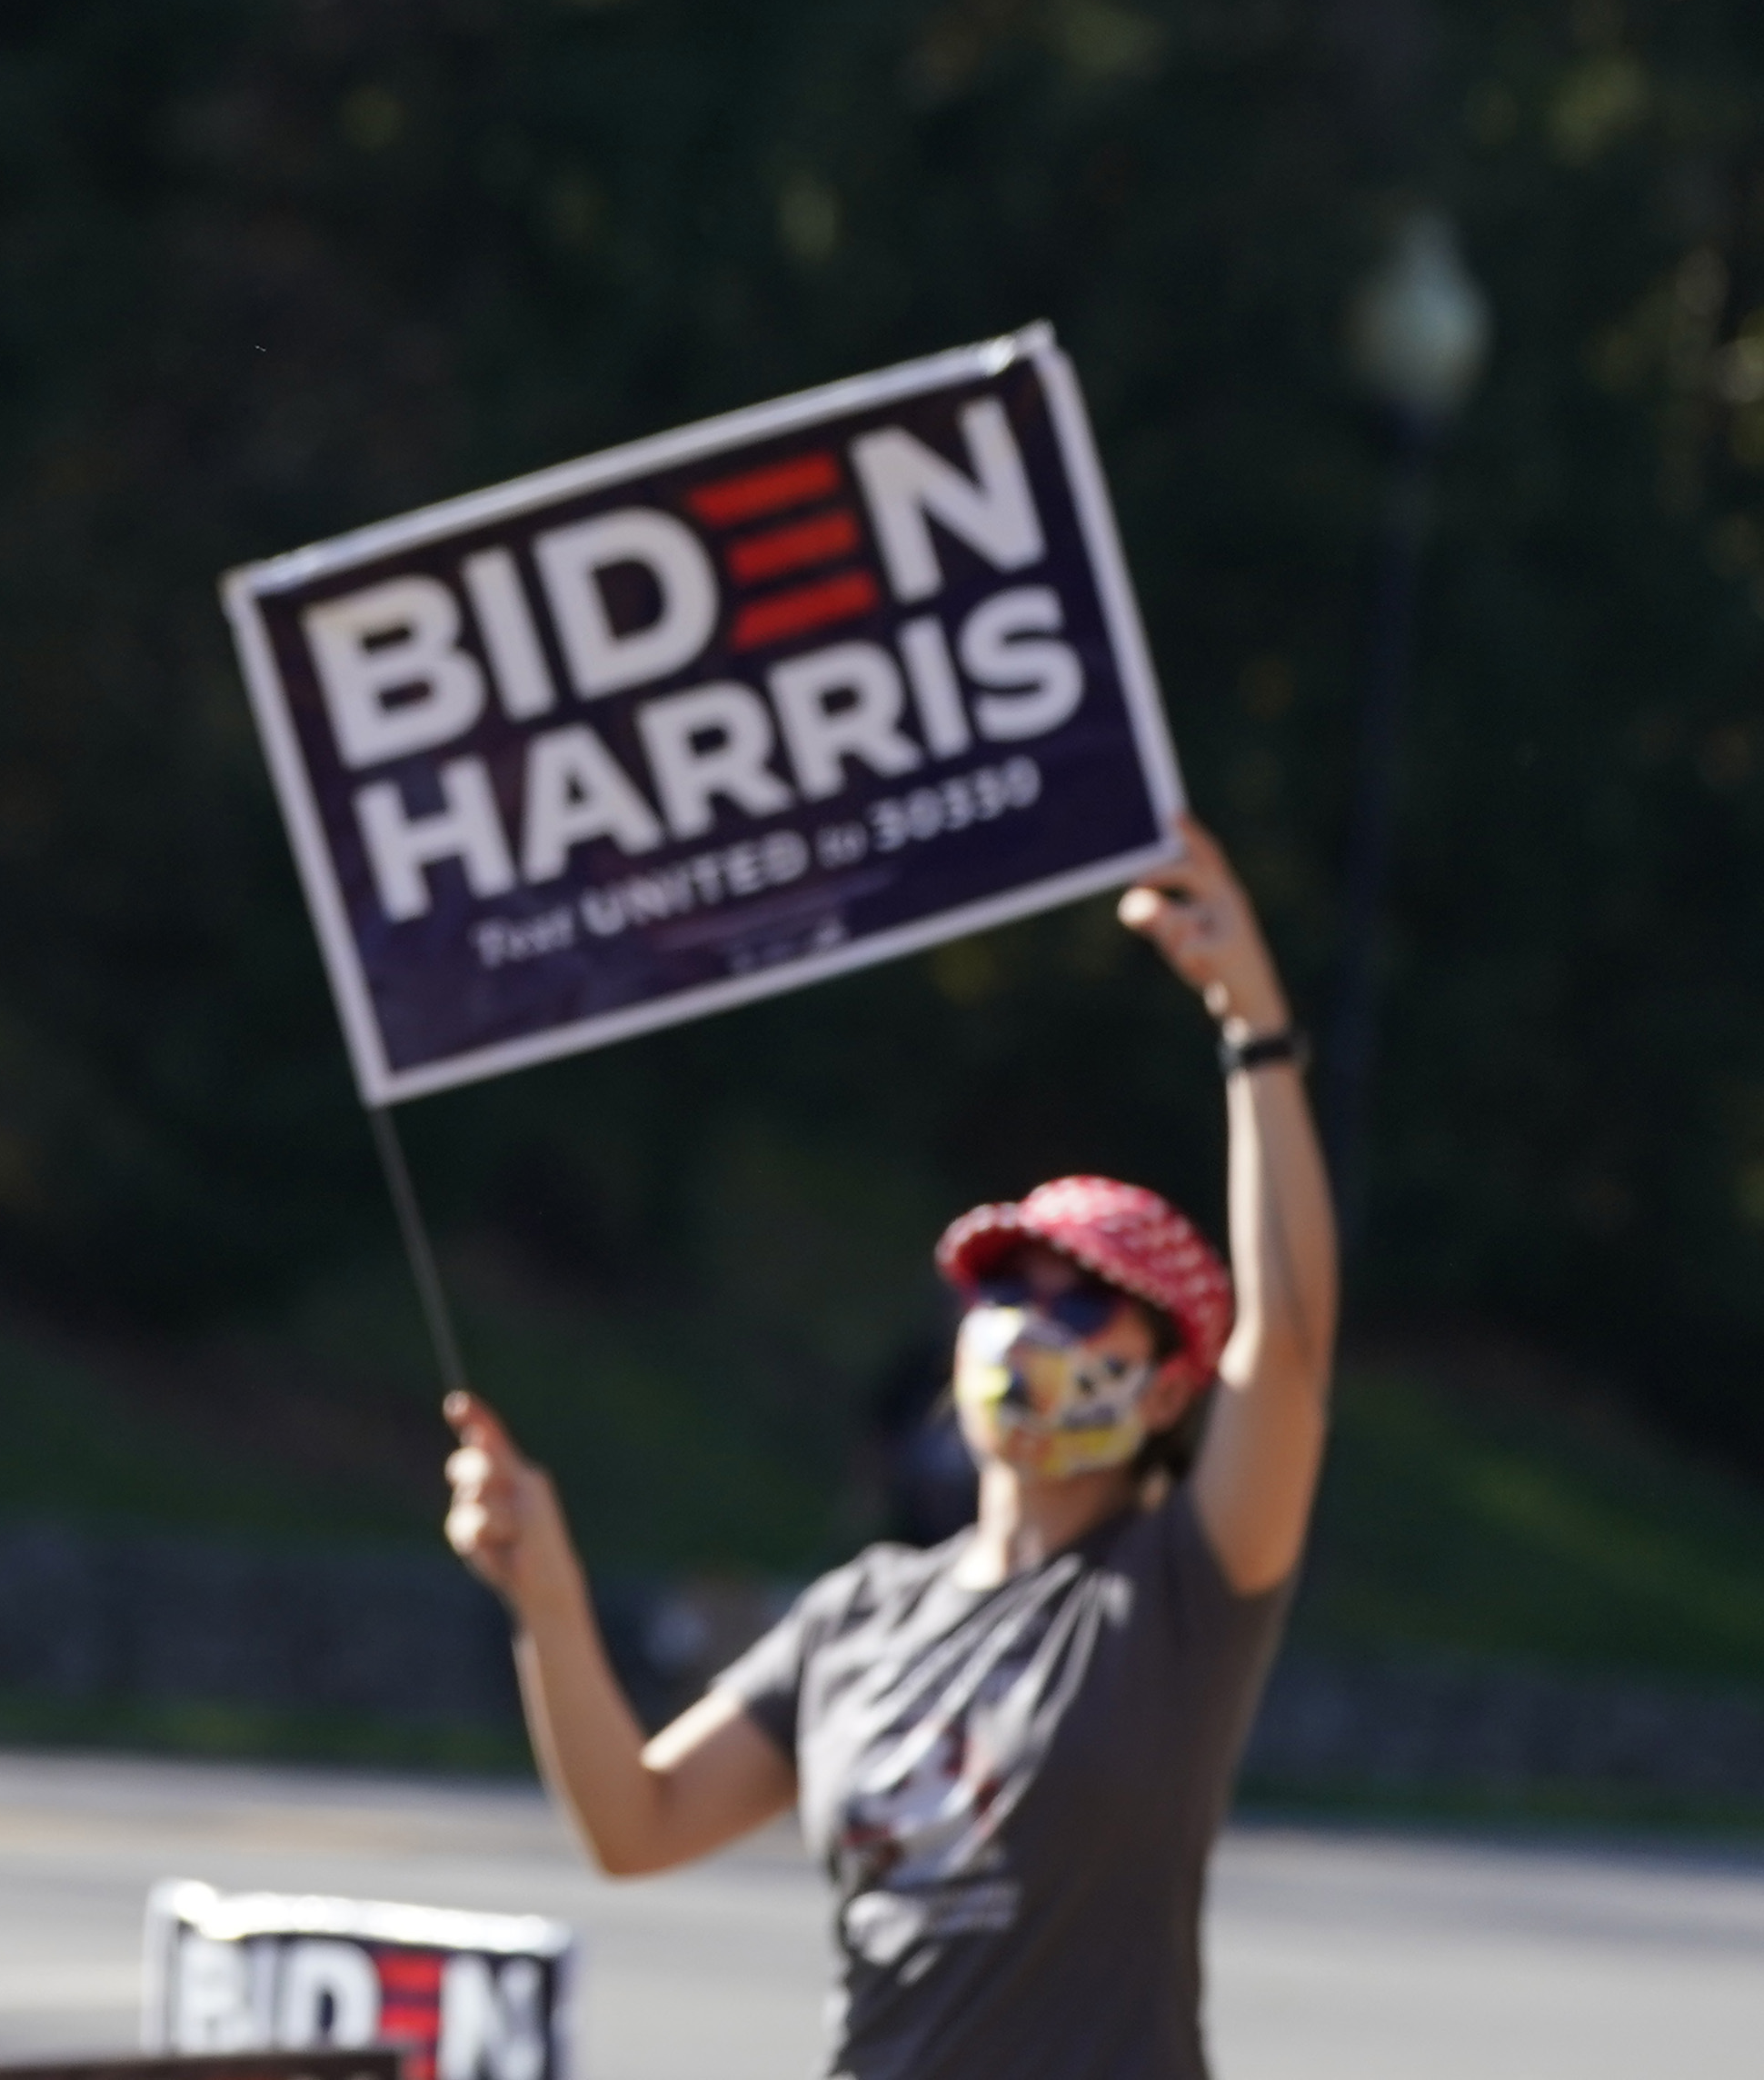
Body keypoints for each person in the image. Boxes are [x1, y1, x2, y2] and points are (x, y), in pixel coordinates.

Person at [442, 818, 1335, 2080]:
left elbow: (1290, 1338)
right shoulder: (861, 1614)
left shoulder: (1178, 1587)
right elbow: (635, 1823)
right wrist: (547, 1599)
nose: (1028, 1323)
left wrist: (1254, 1026)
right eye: (1006, 1288)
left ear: (1171, 1383)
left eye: (1083, 1302)